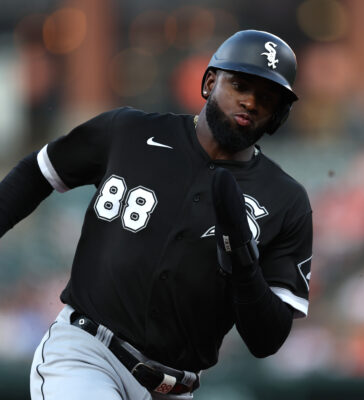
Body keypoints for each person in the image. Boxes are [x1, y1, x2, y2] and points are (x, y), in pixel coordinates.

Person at [0, 30, 312, 400]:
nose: (249, 101)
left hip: (175, 387)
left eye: (267, 96)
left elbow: (267, 340)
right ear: (211, 82)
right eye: (240, 85)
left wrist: (243, 262)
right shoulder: (128, 131)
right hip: (86, 354)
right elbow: (39, 172)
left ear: (278, 113)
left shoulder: (286, 200)